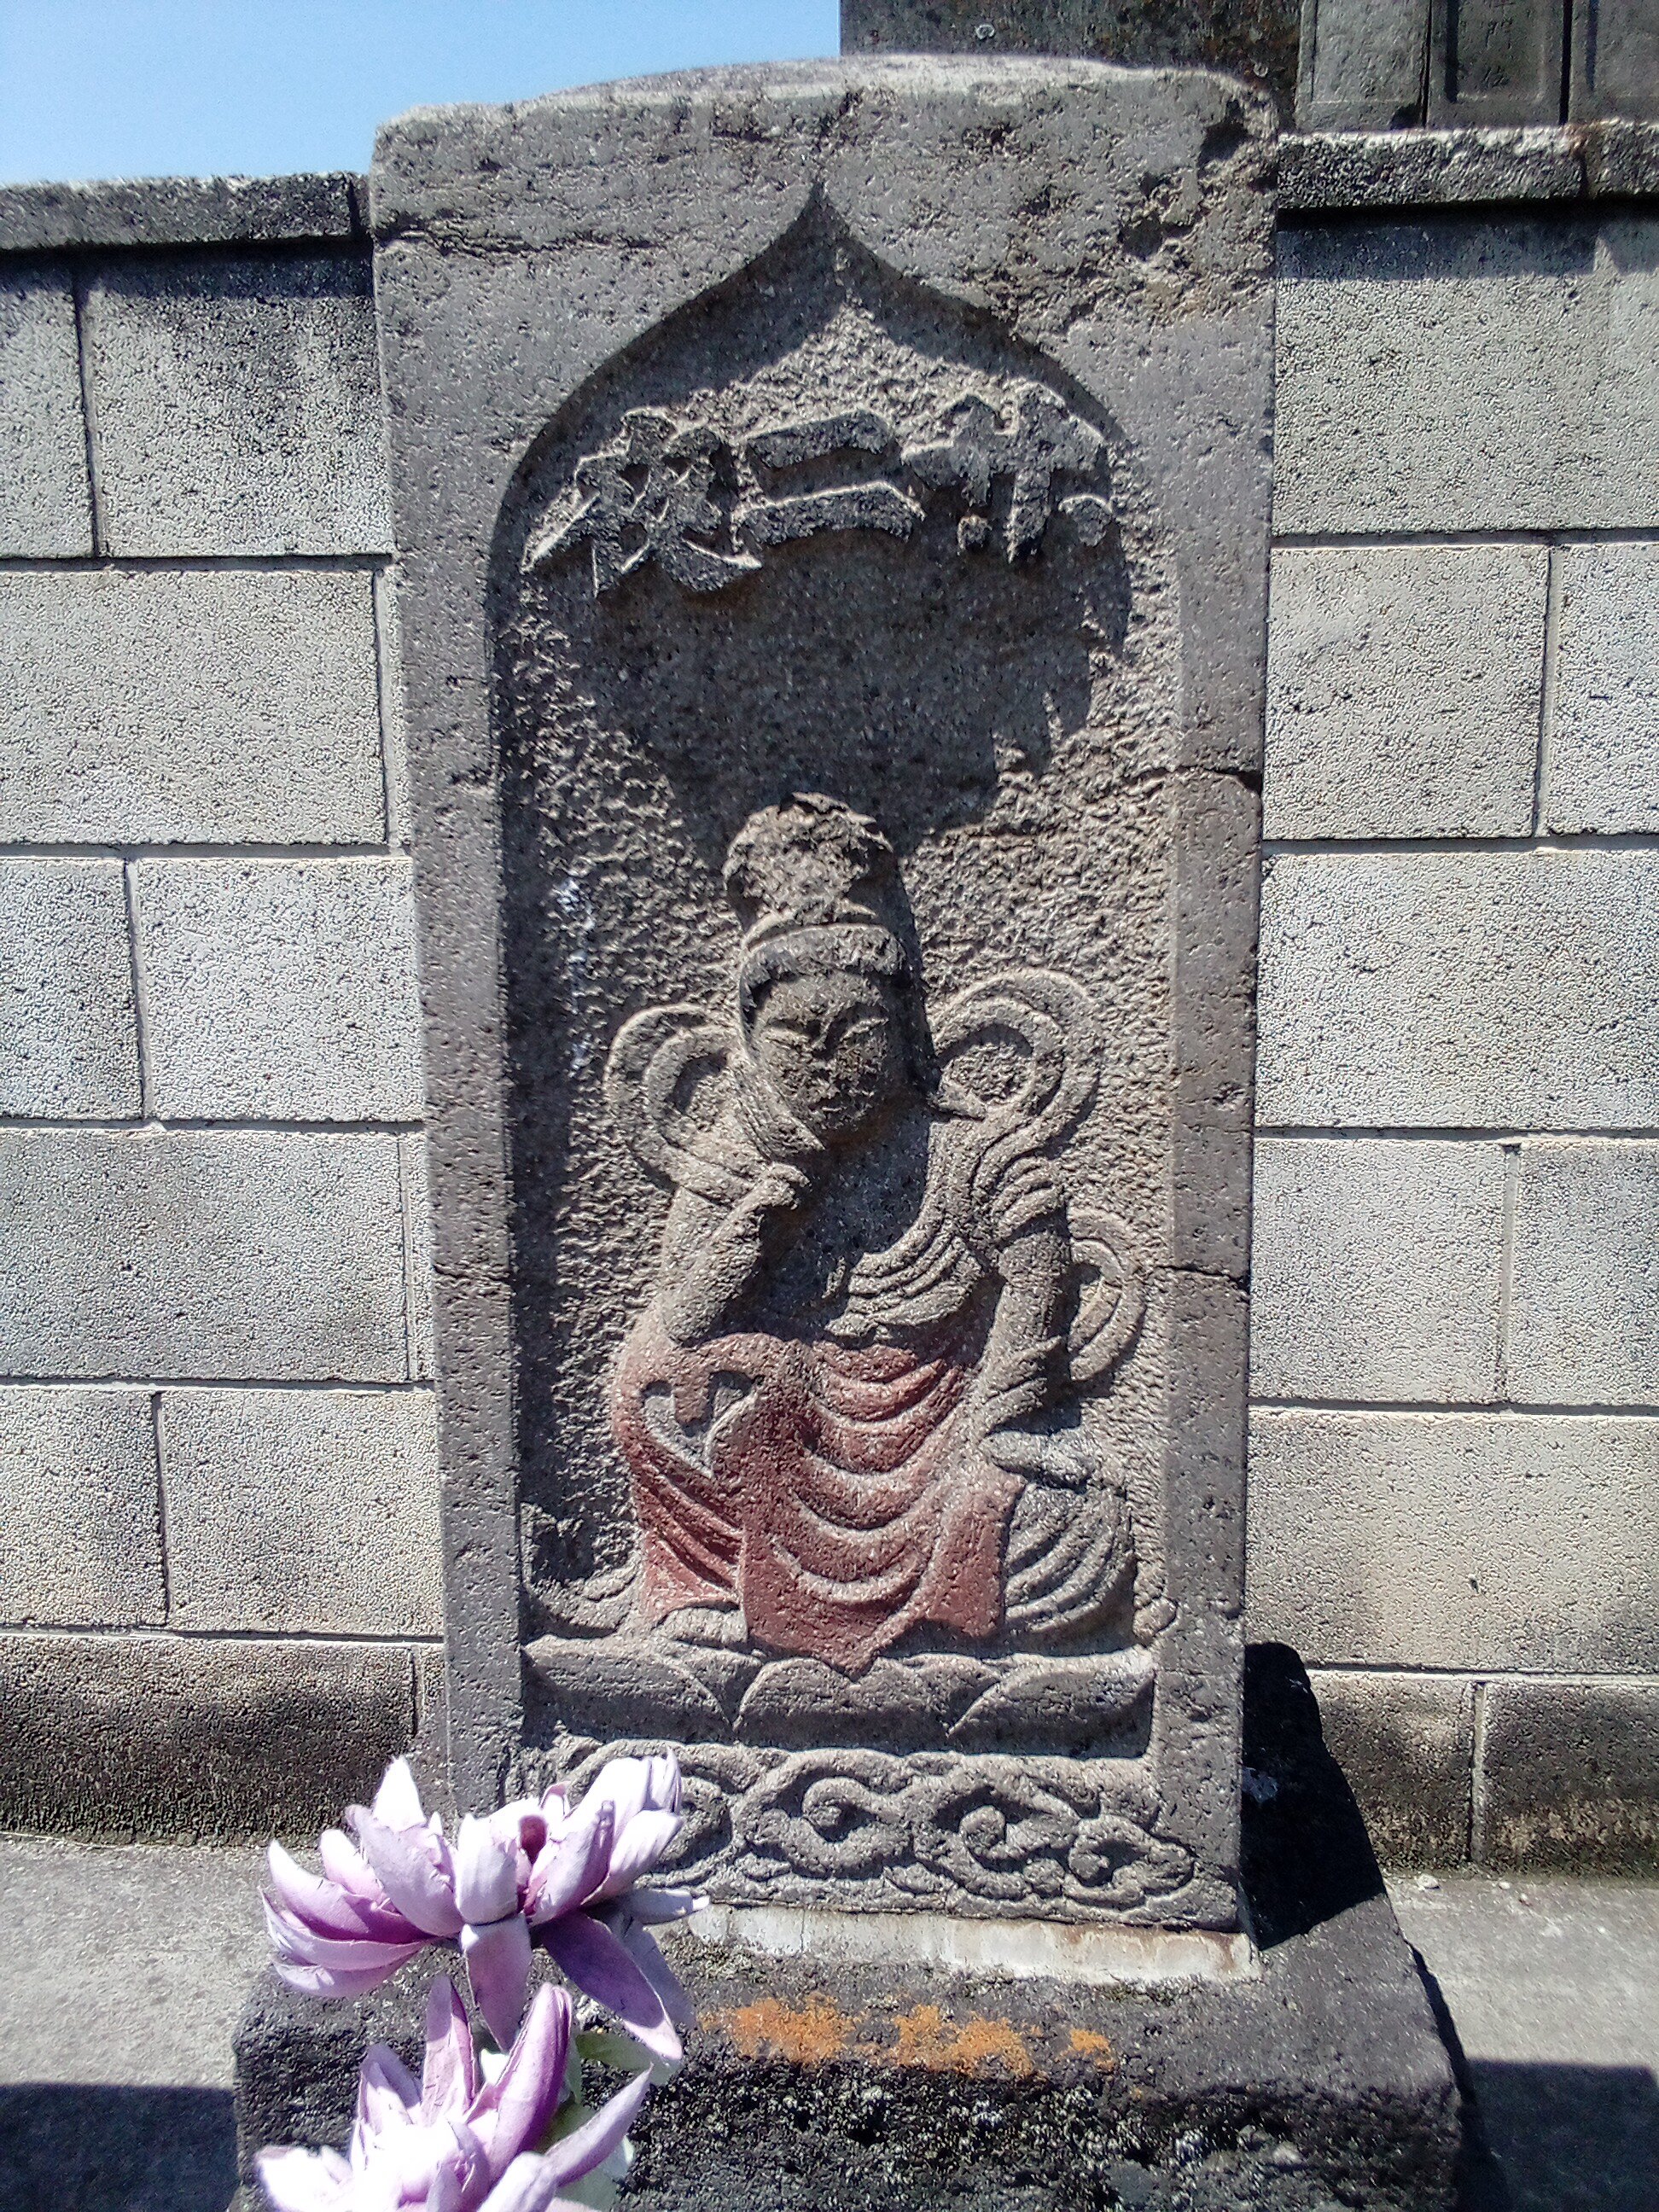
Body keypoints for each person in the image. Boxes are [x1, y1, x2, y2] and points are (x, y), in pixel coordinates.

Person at [608, 793, 1139, 1677]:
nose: (827, 1064)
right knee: (649, 1381)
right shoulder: (738, 1163)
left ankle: (946, 1611)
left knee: (1075, 1530)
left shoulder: (971, 1154)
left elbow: (1040, 1281)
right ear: (751, 1045)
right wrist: (759, 1224)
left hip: (944, 1429)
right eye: (793, 1038)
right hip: (781, 1437)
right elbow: (685, 1322)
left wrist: (1003, 1423)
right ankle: (710, 1593)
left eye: (858, 1032)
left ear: (908, 1035)